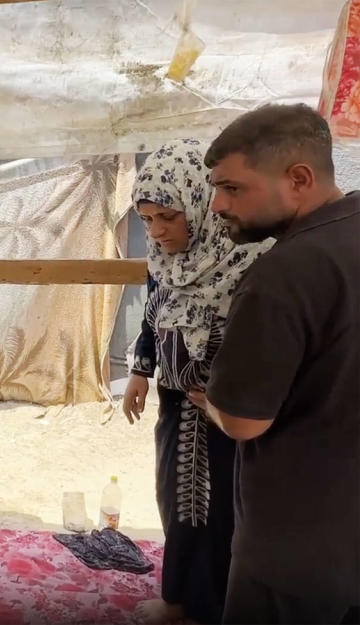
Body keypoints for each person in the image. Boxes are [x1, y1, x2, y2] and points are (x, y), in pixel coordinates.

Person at [188, 104, 360, 624]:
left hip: (297, 553)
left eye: (233, 188)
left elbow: (244, 420)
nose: (217, 205)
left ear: (299, 179)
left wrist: (210, 403)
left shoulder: (284, 274)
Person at [122, 139, 271, 624]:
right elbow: (152, 317)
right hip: (177, 404)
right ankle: (179, 600)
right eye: (146, 220)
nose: (157, 231)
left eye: (168, 216)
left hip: (231, 417)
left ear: (199, 205)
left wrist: (227, 398)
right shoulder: (163, 264)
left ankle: (214, 607)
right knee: (177, 504)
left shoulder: (248, 261)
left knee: (226, 514)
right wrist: (140, 372)